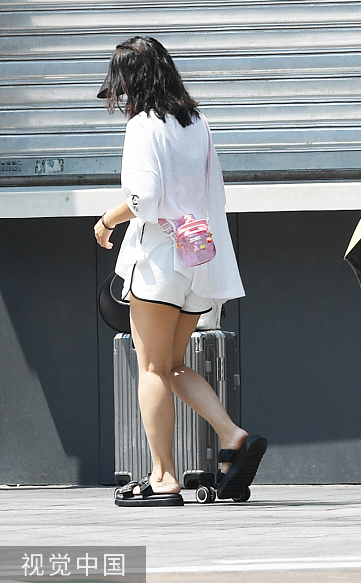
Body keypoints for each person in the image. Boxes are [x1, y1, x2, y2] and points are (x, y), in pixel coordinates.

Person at [94, 36, 266, 507]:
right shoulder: (197, 122)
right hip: (200, 258)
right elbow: (216, 197)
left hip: (160, 260)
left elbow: (144, 199)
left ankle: (164, 477)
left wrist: (107, 220)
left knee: (150, 366)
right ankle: (233, 437)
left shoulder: (143, 126)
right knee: (173, 365)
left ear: (132, 80)